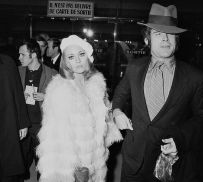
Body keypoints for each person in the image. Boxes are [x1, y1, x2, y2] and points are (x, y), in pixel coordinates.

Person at [112, 3, 203, 182]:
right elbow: (120, 95)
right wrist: (117, 111)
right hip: (133, 160)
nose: (165, 40)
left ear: (177, 41)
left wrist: (181, 140)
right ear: (147, 39)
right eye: (158, 34)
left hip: (171, 164)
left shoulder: (195, 77)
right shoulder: (134, 68)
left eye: (171, 35)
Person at [36, 35, 123, 182]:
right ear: (66, 63)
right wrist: (75, 168)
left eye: (81, 54)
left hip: (96, 159)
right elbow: (55, 138)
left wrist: (115, 114)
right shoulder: (59, 89)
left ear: (88, 57)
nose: (77, 60)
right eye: (71, 57)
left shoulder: (97, 84)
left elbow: (105, 122)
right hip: (73, 167)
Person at [18, 39, 57, 179]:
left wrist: (46, 97)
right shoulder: (17, 72)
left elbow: (61, 101)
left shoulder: (52, 74)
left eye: (22, 54)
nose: (19, 58)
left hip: (42, 128)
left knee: (43, 168)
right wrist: (18, 95)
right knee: (19, 167)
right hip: (22, 127)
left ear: (33, 55)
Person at [0, 54, 30, 182]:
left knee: (8, 168)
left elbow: (17, 92)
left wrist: (22, 122)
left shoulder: (6, 62)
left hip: (6, 121)